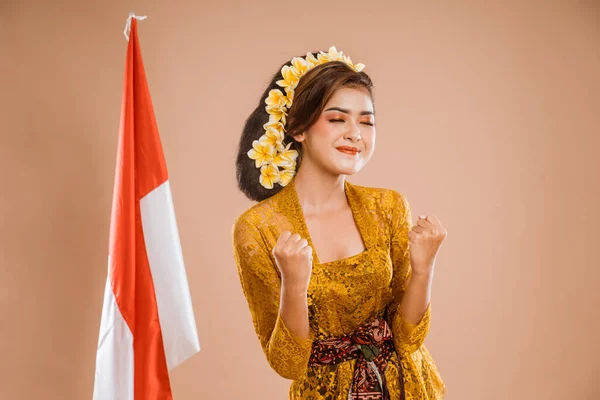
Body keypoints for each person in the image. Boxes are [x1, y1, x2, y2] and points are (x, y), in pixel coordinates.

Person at [232, 46, 446, 399]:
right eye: (337, 119)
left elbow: (408, 338)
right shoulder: (259, 228)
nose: (354, 134)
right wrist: (294, 285)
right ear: (298, 129)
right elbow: (289, 363)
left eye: (366, 121)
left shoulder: (388, 207)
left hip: (408, 386)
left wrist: (424, 270)